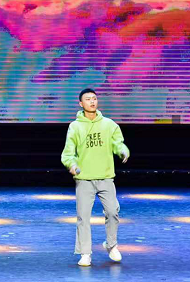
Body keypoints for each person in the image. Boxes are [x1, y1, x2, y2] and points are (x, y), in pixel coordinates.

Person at [61, 88, 129, 267]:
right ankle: (85, 253)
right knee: (83, 217)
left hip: (106, 177)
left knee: (113, 212)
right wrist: (72, 165)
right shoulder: (75, 126)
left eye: (94, 98)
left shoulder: (109, 124)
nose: (92, 101)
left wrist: (123, 151)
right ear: (80, 103)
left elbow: (117, 143)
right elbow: (68, 153)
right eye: (88, 99)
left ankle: (111, 245)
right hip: (84, 179)